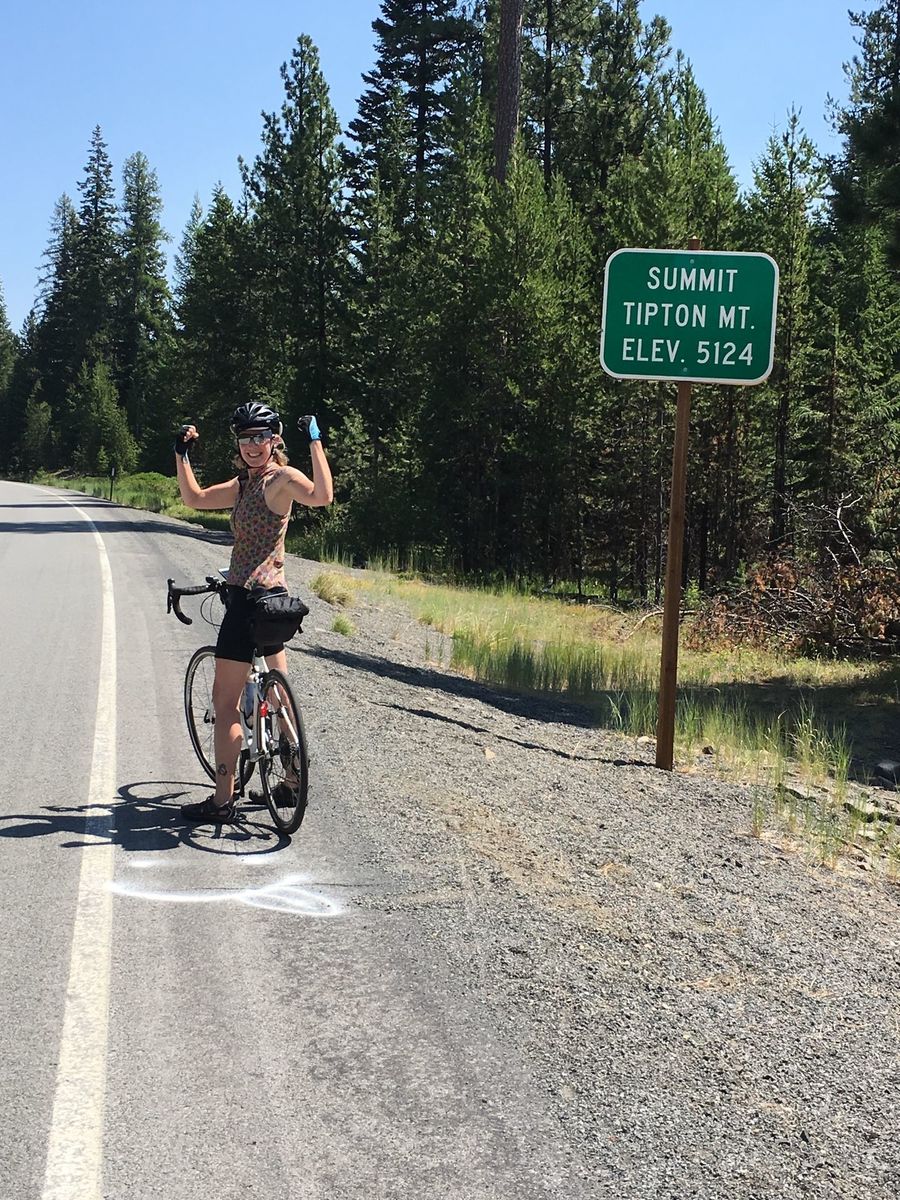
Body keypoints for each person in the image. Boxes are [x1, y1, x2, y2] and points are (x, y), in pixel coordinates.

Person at [173, 402, 333, 821]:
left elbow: (322, 496)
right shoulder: (243, 485)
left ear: (274, 439)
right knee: (277, 694)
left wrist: (315, 441)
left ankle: (222, 801)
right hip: (276, 601)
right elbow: (194, 498)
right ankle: (292, 781)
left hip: (247, 601)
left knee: (225, 704)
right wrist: (182, 455)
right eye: (245, 438)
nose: (252, 445)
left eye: (260, 437)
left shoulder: (280, 479)